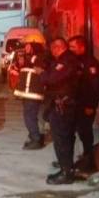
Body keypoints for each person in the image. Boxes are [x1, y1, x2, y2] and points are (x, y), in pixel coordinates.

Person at [38, 38, 79, 184]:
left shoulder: (66, 61)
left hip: (63, 106)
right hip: (61, 105)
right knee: (64, 139)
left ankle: (66, 172)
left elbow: (51, 78)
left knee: (62, 139)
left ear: (57, 47)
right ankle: (66, 167)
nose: (52, 52)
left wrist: (42, 74)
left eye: (52, 49)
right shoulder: (64, 59)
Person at [68, 35, 99, 173]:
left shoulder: (90, 63)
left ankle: (90, 162)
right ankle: (81, 159)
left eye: (73, 47)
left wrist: (91, 106)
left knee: (86, 134)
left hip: (86, 105)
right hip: (76, 104)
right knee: (78, 132)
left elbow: (95, 86)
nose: (70, 49)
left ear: (82, 47)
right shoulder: (76, 61)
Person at [11, 34, 48, 150]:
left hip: (32, 93)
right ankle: (35, 136)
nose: (25, 48)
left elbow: (37, 70)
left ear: (34, 45)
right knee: (31, 116)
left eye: (27, 45)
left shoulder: (39, 58)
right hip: (28, 93)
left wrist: (26, 63)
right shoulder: (32, 57)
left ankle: (36, 139)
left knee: (29, 117)